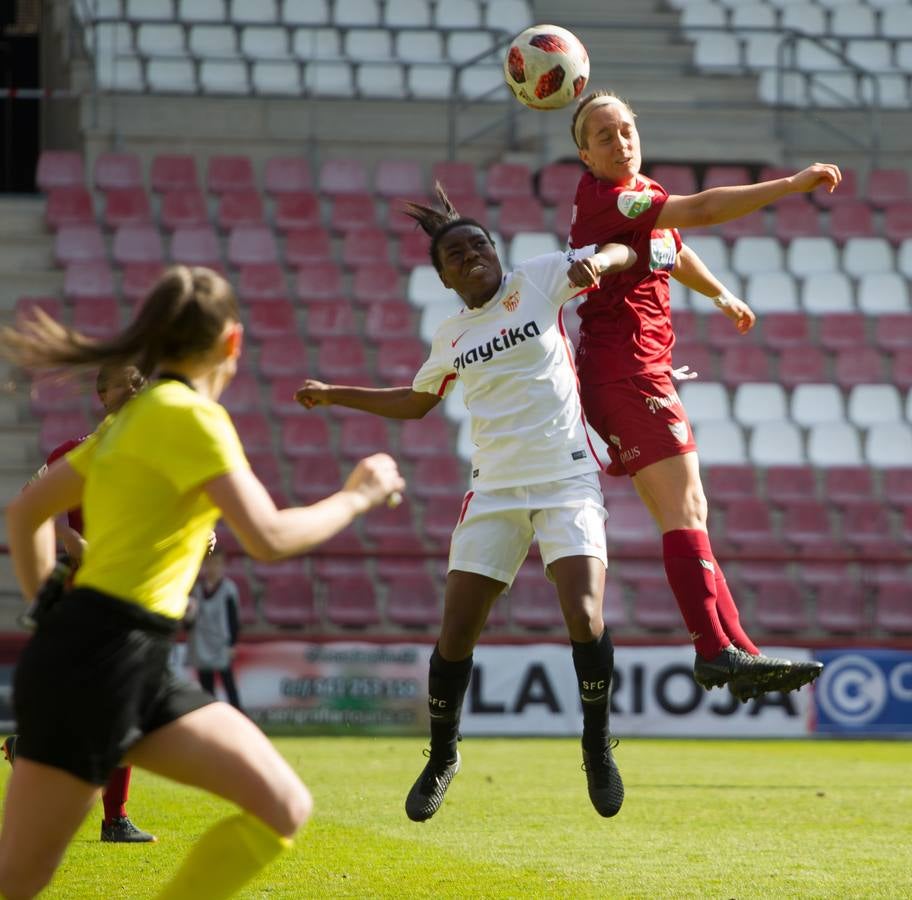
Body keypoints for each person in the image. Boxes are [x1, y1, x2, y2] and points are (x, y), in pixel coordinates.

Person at [0, 265, 404, 899]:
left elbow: (24, 514)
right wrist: (357, 496)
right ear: (233, 342)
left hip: (128, 658)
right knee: (16, 884)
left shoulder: (128, 423)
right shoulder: (193, 417)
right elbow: (270, 538)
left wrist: (46, 611)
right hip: (103, 660)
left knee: (282, 804)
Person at [296, 183, 637, 822]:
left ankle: (596, 743)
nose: (470, 255)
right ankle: (443, 753)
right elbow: (417, 402)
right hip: (495, 490)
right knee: (456, 632)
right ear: (445, 278)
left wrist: (601, 263)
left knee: (585, 615)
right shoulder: (451, 335)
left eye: (478, 244)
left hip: (565, 478)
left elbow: (619, 250)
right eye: (456, 254)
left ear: (496, 251)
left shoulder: (537, 281)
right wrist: (335, 393)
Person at [567, 90, 834, 700]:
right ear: (584, 153)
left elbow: (673, 249)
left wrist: (720, 295)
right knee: (686, 510)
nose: (620, 142)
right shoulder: (618, 197)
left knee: (687, 513)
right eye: (603, 135)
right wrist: (790, 184)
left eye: (626, 129)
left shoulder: (633, 202)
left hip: (627, 375)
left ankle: (734, 649)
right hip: (630, 374)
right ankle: (717, 651)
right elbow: (706, 211)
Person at [3, 362, 155, 844]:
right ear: (102, 393)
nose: (135, 389)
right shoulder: (74, 454)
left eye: (140, 383)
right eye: (124, 383)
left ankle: (36, 751)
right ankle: (113, 819)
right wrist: (74, 542)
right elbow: (35, 508)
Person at [185, 547, 243, 712]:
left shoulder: (228, 590)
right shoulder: (196, 590)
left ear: (222, 566)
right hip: (201, 644)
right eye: (210, 564)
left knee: (229, 684)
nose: (213, 568)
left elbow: (233, 619)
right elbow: (189, 621)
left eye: (217, 564)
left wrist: (232, 643)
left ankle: (238, 715)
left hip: (220, 644)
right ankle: (210, 718)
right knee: (206, 688)